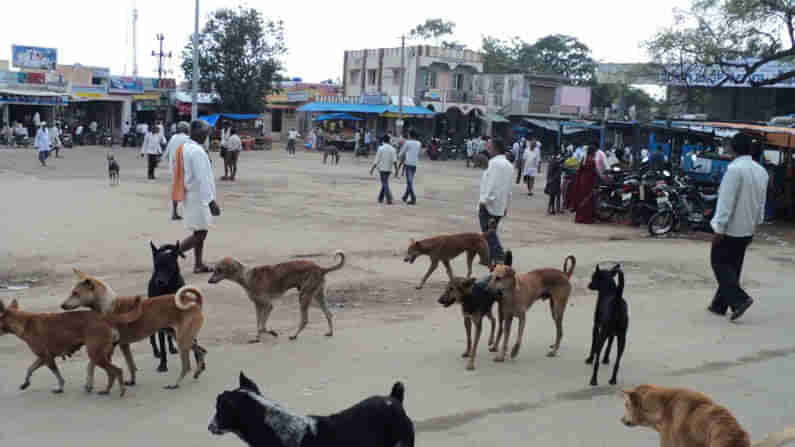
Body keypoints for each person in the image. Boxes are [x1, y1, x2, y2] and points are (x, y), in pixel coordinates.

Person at [707, 133, 768, 321]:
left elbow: (726, 203)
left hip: (731, 228)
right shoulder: (761, 171)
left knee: (719, 263)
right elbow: (761, 203)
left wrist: (719, 228)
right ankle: (719, 305)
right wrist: (756, 224)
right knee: (732, 266)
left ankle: (739, 300)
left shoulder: (734, 170)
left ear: (732, 148)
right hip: (747, 228)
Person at [174, 120, 220, 274]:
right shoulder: (196, 151)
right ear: (197, 132)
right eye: (205, 132)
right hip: (199, 196)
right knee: (201, 233)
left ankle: (198, 264)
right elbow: (202, 178)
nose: (207, 135)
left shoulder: (186, 147)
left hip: (192, 194)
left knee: (199, 231)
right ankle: (171, 254)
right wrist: (211, 201)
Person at [479, 138, 513, 266]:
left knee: (488, 233)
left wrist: (485, 200)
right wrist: (506, 205)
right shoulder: (509, 165)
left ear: (495, 148)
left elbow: (491, 184)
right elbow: (509, 189)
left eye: (490, 147)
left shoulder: (494, 163)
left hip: (489, 204)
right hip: (500, 205)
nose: (488, 149)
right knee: (491, 232)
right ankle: (488, 257)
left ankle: (499, 256)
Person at [166, 121, 191, 220]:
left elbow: (167, 152)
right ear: (186, 129)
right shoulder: (187, 139)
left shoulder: (173, 138)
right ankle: (188, 213)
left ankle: (174, 212)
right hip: (185, 168)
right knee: (188, 190)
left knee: (175, 189)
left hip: (174, 168)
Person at [573, 146, 599, 224]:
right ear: (593, 152)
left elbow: (579, 170)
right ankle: (587, 218)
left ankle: (580, 217)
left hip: (582, 180)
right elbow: (595, 172)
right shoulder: (592, 160)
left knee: (582, 197)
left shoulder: (584, 159)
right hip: (589, 181)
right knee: (589, 198)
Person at [370, 134, 397, 205]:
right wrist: (396, 170)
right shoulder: (393, 149)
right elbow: (395, 161)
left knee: (385, 183)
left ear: (383, 140)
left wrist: (372, 169)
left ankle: (389, 198)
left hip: (382, 169)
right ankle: (380, 198)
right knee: (385, 183)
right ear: (389, 140)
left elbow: (376, 160)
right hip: (389, 169)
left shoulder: (380, 148)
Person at [399, 130, 421, 205]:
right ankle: (405, 196)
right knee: (410, 181)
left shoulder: (407, 142)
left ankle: (413, 198)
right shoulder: (419, 143)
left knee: (409, 182)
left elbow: (402, 152)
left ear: (410, 135)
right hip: (415, 164)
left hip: (408, 163)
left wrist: (399, 157)